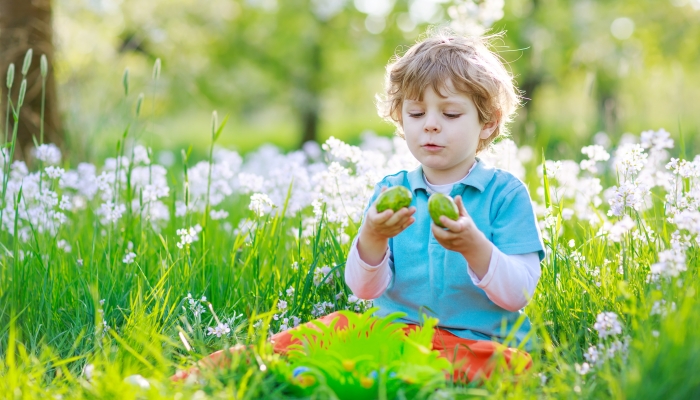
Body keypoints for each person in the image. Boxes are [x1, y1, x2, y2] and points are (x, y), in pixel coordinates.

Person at [173, 29, 544, 383]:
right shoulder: (391, 189)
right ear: (400, 117)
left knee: (506, 365)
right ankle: (199, 377)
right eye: (416, 114)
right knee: (327, 329)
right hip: (392, 334)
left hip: (474, 344)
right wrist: (373, 236)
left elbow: (517, 293)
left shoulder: (505, 195)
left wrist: (473, 247)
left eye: (449, 114)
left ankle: (347, 374)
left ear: (488, 123)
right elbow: (364, 290)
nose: (430, 125)